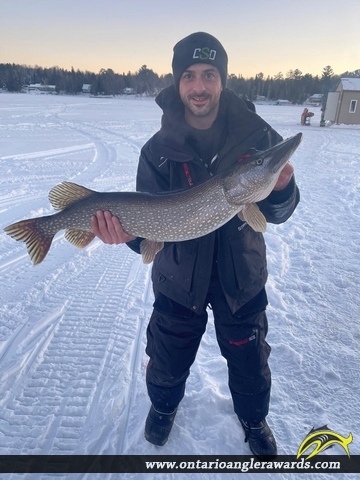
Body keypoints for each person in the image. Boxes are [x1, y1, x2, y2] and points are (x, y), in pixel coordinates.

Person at [91, 32, 300, 457]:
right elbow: (147, 231)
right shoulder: (156, 151)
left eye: (209, 75)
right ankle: (164, 408)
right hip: (178, 278)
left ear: (222, 79)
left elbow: (278, 212)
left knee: (249, 362)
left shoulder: (259, 138)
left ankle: (254, 419)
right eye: (189, 76)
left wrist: (281, 187)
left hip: (240, 277)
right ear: (178, 82)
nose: (199, 86)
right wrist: (125, 235)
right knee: (167, 359)